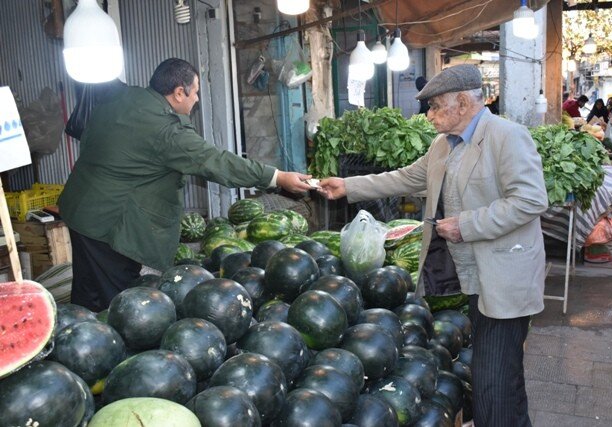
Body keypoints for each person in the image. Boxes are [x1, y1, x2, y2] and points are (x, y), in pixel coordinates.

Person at [319, 64, 547, 427]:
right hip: (474, 278)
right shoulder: (443, 145)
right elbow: (407, 177)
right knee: (503, 376)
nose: (429, 115)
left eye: (436, 106)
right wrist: (349, 186)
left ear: (462, 103)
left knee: (491, 385)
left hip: (506, 278)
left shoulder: (507, 136)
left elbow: (531, 201)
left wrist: (466, 224)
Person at [58, 58, 313, 312]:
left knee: (86, 290)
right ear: (179, 93)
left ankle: (75, 336)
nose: (197, 99)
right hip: (107, 225)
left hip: (80, 210)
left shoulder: (127, 96)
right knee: (117, 304)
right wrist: (277, 177)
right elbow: (216, 162)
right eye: (196, 92)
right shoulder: (167, 131)